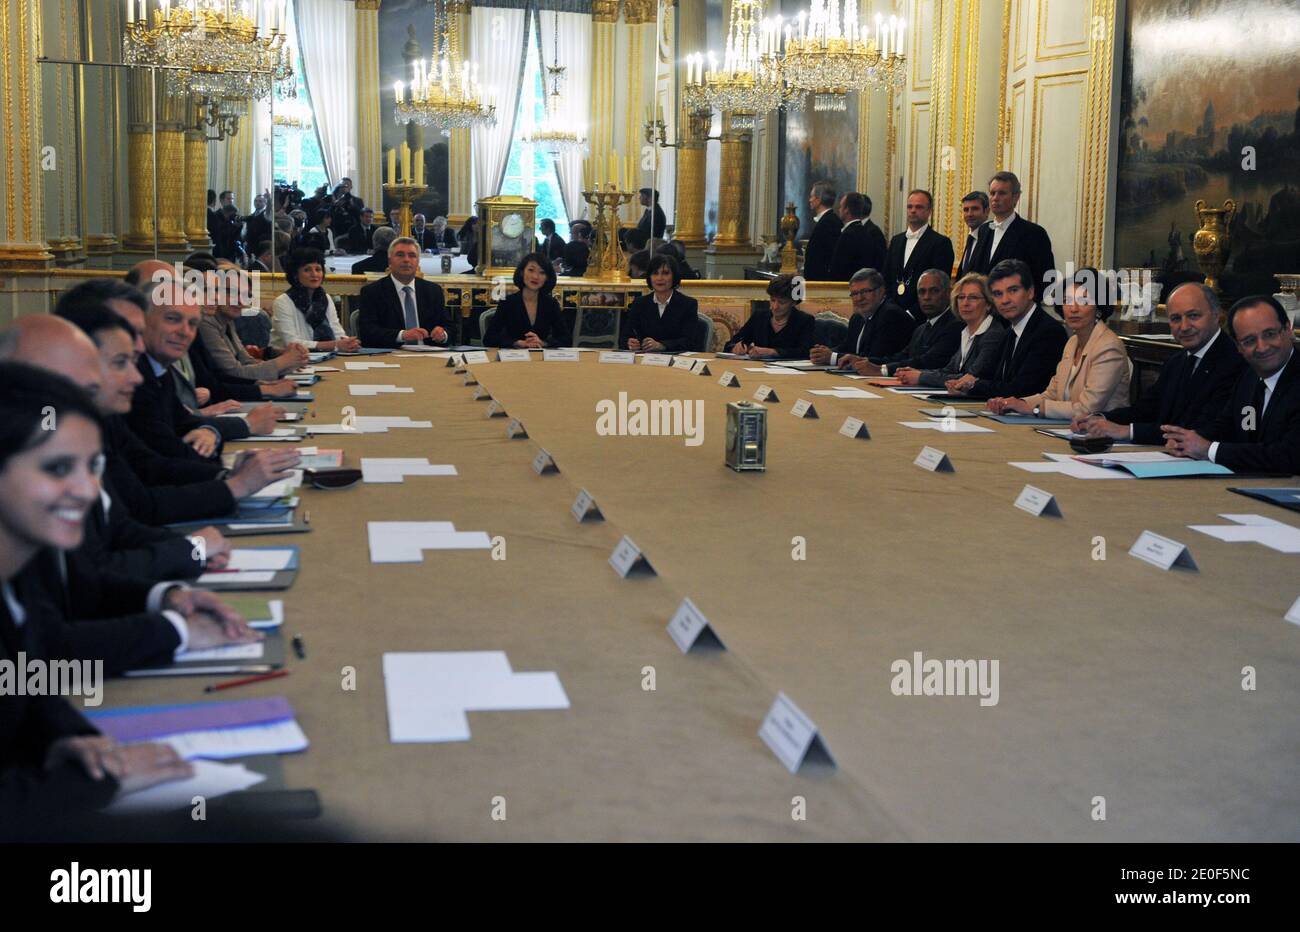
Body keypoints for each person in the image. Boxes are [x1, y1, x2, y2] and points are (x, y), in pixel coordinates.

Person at [0, 363, 196, 839]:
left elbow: (28, 675)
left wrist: (69, 737)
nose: (88, 491)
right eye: (57, 468)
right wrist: (107, 777)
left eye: (93, 467)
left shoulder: (18, 567)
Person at [1076, 283, 1245, 443]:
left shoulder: (1233, 362)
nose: (1184, 326)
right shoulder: (1178, 360)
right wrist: (1098, 418)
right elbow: (1146, 409)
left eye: (1193, 316)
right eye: (1176, 318)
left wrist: (1127, 431)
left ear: (1216, 316)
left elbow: (1199, 429)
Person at [1162, 295, 1300, 474]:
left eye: (1270, 334)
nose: (1262, 347)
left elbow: (1289, 456)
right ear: (1239, 348)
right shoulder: (1249, 377)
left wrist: (1209, 449)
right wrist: (1187, 440)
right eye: (1250, 341)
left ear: (1288, 329)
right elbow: (1230, 427)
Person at [984, 268, 1131, 419]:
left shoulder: (1109, 346)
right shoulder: (1073, 342)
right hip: (1069, 428)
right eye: (1067, 301)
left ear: (1099, 307)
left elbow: (1087, 408)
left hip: (1101, 435)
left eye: (1083, 301)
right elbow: (1052, 393)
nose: (1073, 309)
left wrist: (1034, 409)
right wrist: (1014, 403)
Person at [944, 259, 1067, 400]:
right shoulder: (1009, 332)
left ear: (1030, 292)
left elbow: (1023, 389)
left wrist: (973, 386)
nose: (1005, 300)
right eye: (998, 294)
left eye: (1013, 290)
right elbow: (988, 376)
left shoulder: (1048, 332)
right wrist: (963, 384)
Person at [897, 273, 1007, 388]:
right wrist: (916, 373)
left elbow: (970, 377)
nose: (965, 303)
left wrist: (921, 377)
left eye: (973, 297)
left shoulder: (993, 335)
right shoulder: (966, 332)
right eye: (961, 297)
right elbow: (949, 370)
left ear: (989, 304)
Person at [201, 267, 309, 381]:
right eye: (233, 292)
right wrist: (283, 362)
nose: (240, 301)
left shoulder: (227, 320)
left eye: (246, 295)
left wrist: (288, 364)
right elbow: (234, 373)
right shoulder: (206, 322)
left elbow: (247, 361)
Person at [852, 269, 962, 377]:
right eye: (921, 292)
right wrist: (863, 361)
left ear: (948, 293)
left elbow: (928, 362)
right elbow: (902, 357)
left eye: (934, 291)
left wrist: (882, 370)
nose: (926, 297)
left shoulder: (955, 325)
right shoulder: (921, 329)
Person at [970, 171, 1056, 299]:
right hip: (985, 311)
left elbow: (1046, 278)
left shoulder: (1034, 233)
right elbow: (974, 272)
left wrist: (1023, 305)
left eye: (1002, 193)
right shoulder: (983, 230)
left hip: (1016, 311)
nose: (995, 198)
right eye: (992, 193)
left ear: (1016, 197)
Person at [356, 236, 452, 349]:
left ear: (418, 262)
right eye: (400, 255)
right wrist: (402, 335)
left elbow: (451, 328)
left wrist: (443, 334)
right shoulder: (372, 292)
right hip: (390, 356)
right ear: (390, 261)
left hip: (429, 355)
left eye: (412, 255)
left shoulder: (433, 291)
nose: (406, 260)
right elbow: (367, 333)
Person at [809, 268, 914, 369]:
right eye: (854, 294)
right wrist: (823, 353)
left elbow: (874, 357)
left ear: (881, 291)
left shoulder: (890, 315)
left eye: (865, 292)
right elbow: (848, 348)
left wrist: (832, 357)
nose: (859, 298)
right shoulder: (857, 317)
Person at [271, 247, 361, 353]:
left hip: (325, 357)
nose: (314, 274)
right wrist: (334, 344)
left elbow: (337, 331)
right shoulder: (282, 302)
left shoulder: (325, 298)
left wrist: (348, 343)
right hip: (291, 361)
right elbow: (292, 343)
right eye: (307, 270)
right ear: (295, 274)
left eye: (318, 269)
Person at [884, 190, 955, 319]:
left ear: (929, 211)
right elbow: (887, 278)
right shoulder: (896, 241)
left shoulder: (940, 243)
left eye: (919, 207)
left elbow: (939, 285)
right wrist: (891, 309)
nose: (913, 210)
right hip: (892, 314)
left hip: (922, 316)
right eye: (910, 207)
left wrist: (911, 314)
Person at [484, 253, 567, 349]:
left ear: (547, 278)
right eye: (531, 270)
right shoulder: (508, 302)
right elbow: (489, 338)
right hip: (513, 358)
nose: (536, 276)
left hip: (541, 358)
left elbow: (565, 339)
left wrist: (544, 343)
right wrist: (516, 343)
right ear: (522, 272)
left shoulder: (551, 304)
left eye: (542, 272)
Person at [622, 254, 699, 353]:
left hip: (675, 361)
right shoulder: (639, 303)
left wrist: (662, 345)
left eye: (665, 273)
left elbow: (690, 341)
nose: (659, 278)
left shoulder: (688, 304)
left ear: (674, 276)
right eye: (655, 273)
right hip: (644, 361)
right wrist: (629, 343)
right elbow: (624, 336)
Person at [725, 274, 815, 359]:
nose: (775, 307)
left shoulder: (805, 321)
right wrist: (735, 348)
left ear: (793, 302)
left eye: (782, 302)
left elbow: (805, 352)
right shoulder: (759, 317)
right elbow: (731, 344)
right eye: (772, 300)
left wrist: (773, 352)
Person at [828, 192, 887, 282]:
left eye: (841, 206)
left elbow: (838, 270)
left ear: (846, 210)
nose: (839, 210)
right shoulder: (865, 232)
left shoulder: (848, 235)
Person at [802, 180, 842, 281]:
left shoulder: (829, 222)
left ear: (819, 200)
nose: (810, 200)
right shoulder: (828, 220)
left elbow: (827, 257)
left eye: (812, 196)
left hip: (822, 281)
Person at [955, 191, 990, 276]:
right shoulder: (971, 238)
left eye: (975, 209)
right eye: (966, 210)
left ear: (986, 211)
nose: (969, 214)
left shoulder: (991, 237)